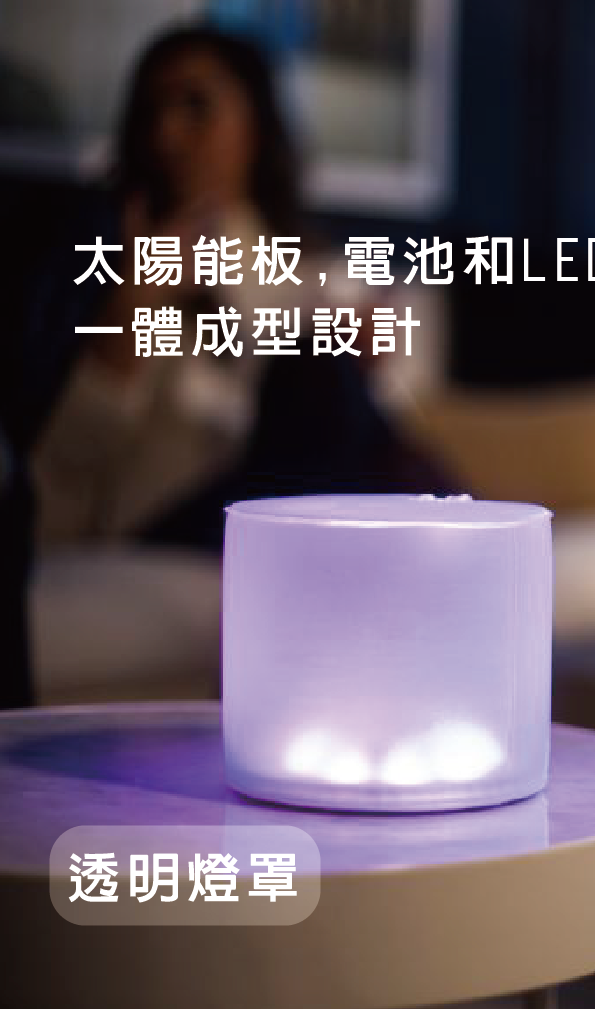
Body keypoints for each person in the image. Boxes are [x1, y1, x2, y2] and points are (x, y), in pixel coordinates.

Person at [5, 23, 454, 703]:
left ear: (256, 127)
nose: (166, 133)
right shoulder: (107, 248)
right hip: (168, 512)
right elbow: (61, 471)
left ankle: (436, 544)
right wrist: (131, 311)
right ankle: (452, 539)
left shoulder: (306, 269)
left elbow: (373, 409)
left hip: (288, 487)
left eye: (196, 105)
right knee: (320, 373)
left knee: (328, 375)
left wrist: (366, 357)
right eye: (152, 109)